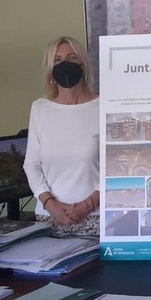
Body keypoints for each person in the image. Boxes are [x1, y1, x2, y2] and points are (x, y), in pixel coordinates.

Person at [23, 36, 100, 237]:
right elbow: (31, 165)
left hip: (96, 218)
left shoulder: (103, 106)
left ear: (83, 64)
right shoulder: (40, 108)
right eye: (57, 60)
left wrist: (88, 205)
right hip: (49, 218)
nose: (65, 64)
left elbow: (116, 167)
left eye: (72, 58)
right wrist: (50, 205)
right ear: (50, 69)